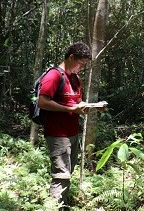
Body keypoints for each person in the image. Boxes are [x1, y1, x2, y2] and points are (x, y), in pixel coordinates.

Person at [38, 41, 91, 209]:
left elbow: (76, 101)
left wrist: (85, 106)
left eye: (84, 65)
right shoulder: (54, 76)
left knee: (68, 173)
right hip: (57, 134)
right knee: (61, 175)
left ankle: (62, 205)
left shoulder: (75, 78)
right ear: (71, 57)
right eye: (80, 63)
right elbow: (42, 101)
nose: (81, 68)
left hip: (73, 133)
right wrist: (69, 108)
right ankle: (54, 206)